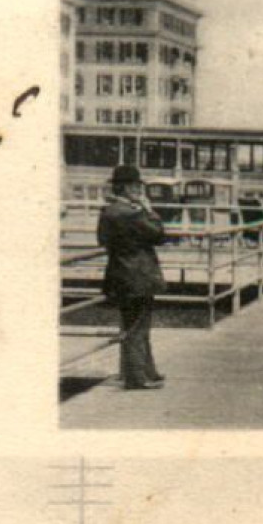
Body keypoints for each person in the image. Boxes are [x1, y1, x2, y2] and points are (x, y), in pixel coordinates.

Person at [98, 164, 167, 391]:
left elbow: (103, 240)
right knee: (139, 327)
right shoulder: (132, 212)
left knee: (132, 324)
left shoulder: (108, 212)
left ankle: (146, 371)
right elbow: (159, 234)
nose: (139, 190)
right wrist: (149, 209)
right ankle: (138, 378)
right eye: (136, 186)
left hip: (119, 273)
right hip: (139, 275)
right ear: (126, 188)